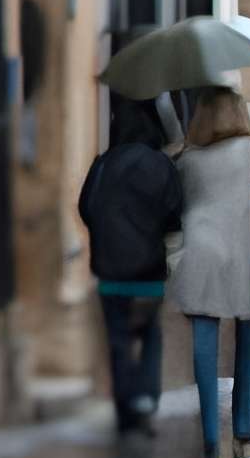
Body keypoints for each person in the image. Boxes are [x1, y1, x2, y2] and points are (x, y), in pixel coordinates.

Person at [167, 85, 250, 458]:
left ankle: (210, 437)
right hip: (239, 253)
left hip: (198, 252)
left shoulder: (187, 156)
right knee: (247, 339)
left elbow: (178, 202)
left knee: (204, 339)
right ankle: (243, 428)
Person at [77, 95, 182, 438]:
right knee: (150, 334)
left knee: (119, 340)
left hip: (110, 272)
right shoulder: (161, 164)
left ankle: (126, 412)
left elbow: (86, 208)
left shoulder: (103, 163)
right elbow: (175, 213)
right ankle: (146, 402)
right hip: (148, 272)